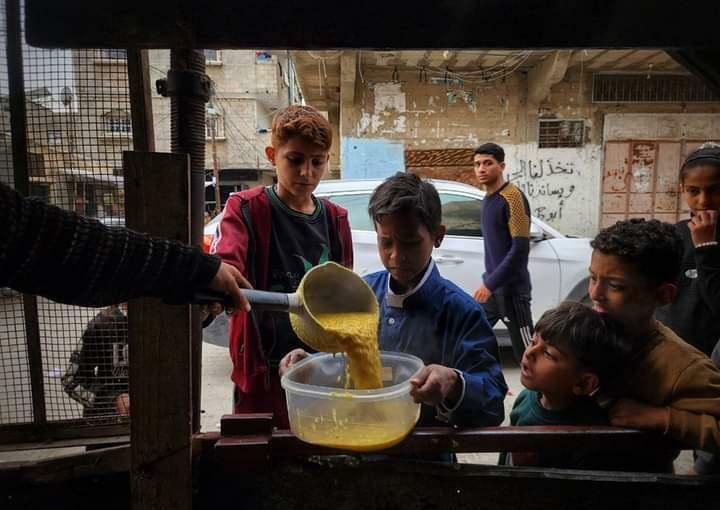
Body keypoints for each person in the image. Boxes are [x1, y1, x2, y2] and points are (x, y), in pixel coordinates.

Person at [281, 172, 506, 428]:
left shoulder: (461, 312)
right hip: (355, 440)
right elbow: (335, 354)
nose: (397, 256)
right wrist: (308, 363)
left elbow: (494, 405)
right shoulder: (360, 294)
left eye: (410, 243)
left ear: (438, 236)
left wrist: (454, 383)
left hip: (425, 457)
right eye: (386, 242)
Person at [210, 104, 353, 427]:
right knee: (258, 450)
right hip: (262, 367)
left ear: (327, 160)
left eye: (317, 162)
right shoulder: (246, 208)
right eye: (295, 160)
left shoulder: (335, 219)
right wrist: (221, 276)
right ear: (272, 154)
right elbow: (226, 262)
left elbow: (345, 297)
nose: (307, 172)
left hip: (318, 367)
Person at [590, 218, 720, 472]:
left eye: (615, 286)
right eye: (593, 278)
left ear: (663, 295)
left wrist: (663, 418)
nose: (595, 293)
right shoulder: (582, 336)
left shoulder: (684, 367)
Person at [0, 181, 252, 310]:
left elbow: (54, 239)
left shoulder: (18, 226)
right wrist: (195, 269)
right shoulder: (245, 205)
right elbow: (61, 245)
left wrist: (194, 269)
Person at [500, 301, 630, 469]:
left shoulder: (592, 431)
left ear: (584, 383)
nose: (529, 353)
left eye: (548, 353)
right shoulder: (525, 398)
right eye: (533, 341)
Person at [471, 142, 533, 365]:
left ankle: (541, 395)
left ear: (502, 166)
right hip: (493, 291)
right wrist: (489, 283)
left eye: (488, 163)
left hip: (513, 292)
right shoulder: (487, 201)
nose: (481, 169)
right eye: (477, 164)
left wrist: (490, 284)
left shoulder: (513, 198)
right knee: (470, 332)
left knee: (528, 353)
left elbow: (520, 249)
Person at [657, 143, 720, 356]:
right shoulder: (674, 235)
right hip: (673, 356)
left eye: (714, 190)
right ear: (683, 189)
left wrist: (705, 247)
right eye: (694, 191)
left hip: (712, 363)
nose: (703, 201)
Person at [62, 304, 130, 419]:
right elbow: (72, 381)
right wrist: (113, 400)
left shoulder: (160, 325)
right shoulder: (103, 324)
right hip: (105, 421)